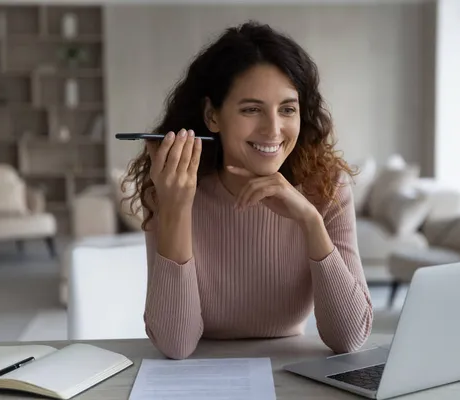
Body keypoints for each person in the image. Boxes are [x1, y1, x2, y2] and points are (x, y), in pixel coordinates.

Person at [123, 21, 373, 360]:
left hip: (289, 370)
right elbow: (175, 344)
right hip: (199, 377)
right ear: (213, 116)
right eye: (251, 109)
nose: (273, 129)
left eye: (287, 109)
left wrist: (310, 220)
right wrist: (177, 208)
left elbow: (349, 338)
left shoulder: (326, 186)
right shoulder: (170, 189)